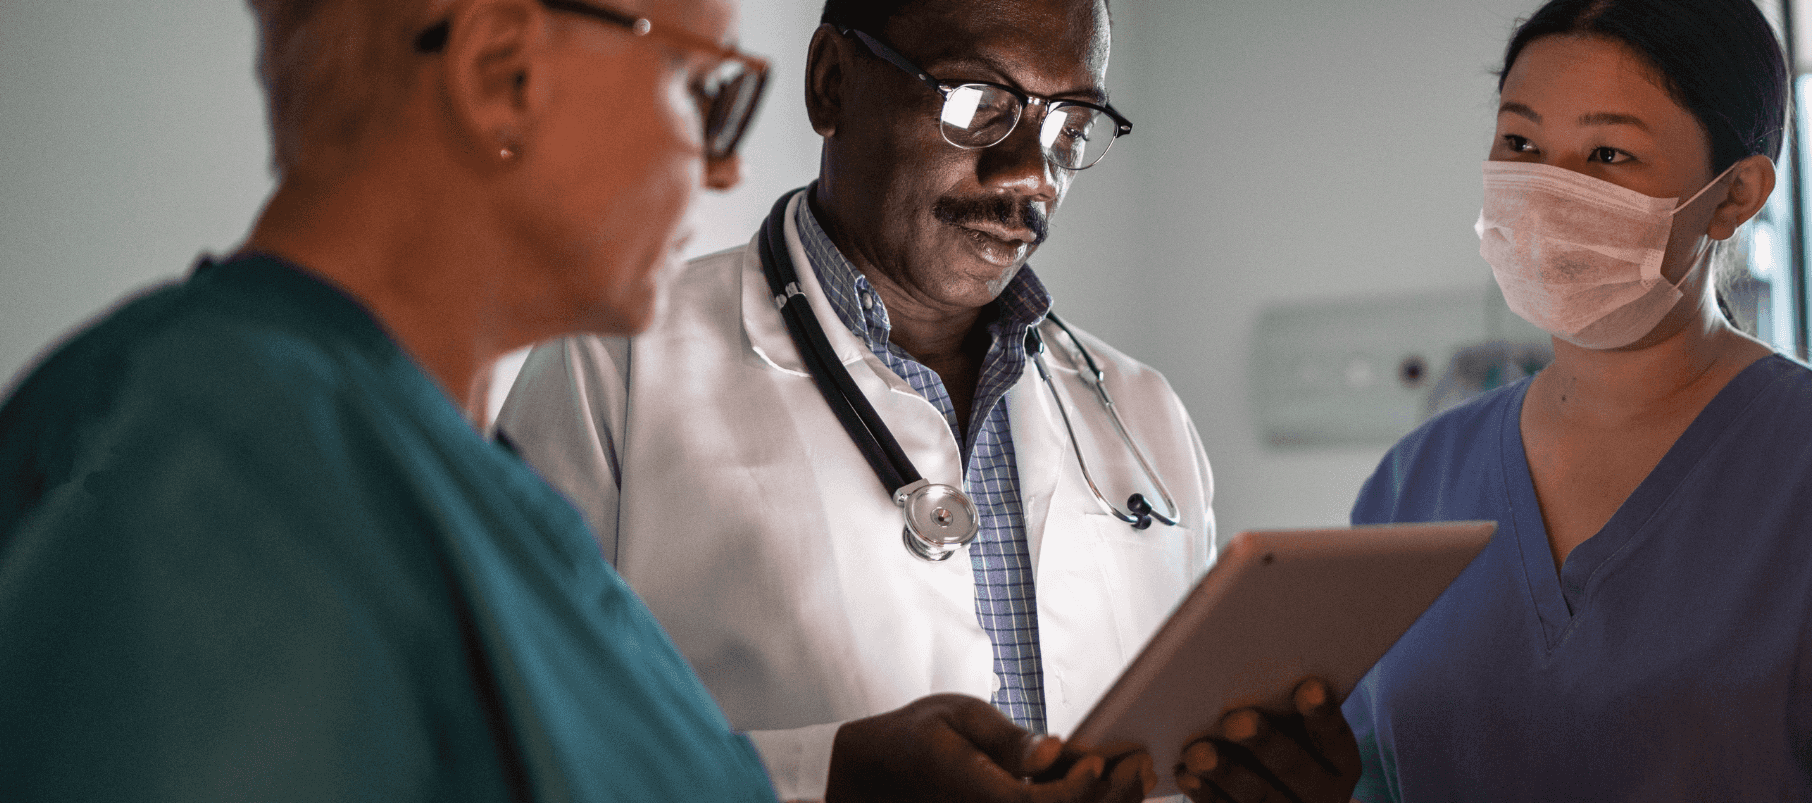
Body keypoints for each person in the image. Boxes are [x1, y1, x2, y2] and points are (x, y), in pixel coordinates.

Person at [0, 0, 1154, 800]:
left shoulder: (452, 480)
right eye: (705, 90)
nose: (716, 170)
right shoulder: (190, 451)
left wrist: (839, 777)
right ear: (504, 75)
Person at [498, 0, 1361, 800]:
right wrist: (824, 777)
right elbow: (500, 740)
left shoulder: (1140, 410)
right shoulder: (612, 367)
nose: (1032, 175)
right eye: (979, 102)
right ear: (832, 83)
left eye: (1069, 126)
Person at [1342, 0, 1812, 800]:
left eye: (1608, 154)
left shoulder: (1793, 461)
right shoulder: (1414, 482)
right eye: (1521, 143)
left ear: (1734, 195)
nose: (1550, 192)